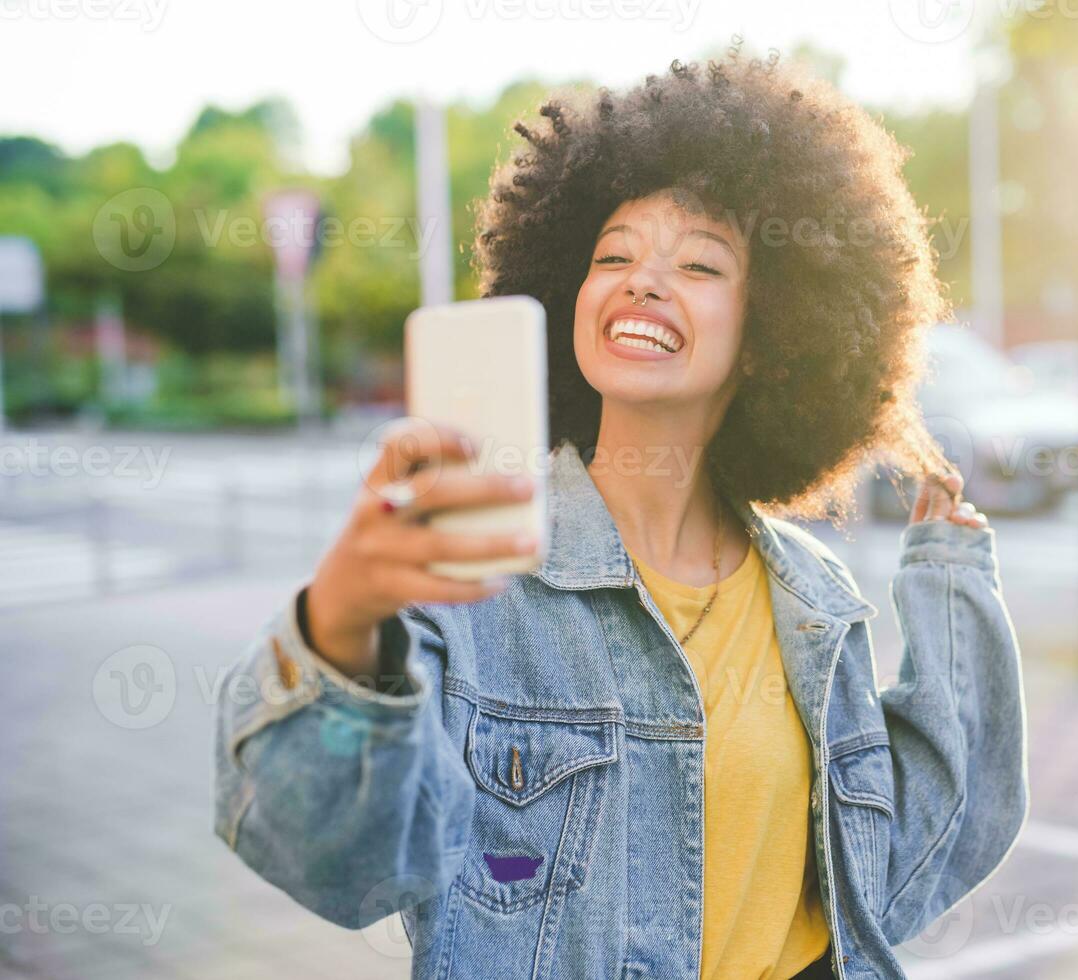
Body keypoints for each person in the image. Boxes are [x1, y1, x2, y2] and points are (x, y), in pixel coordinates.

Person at [214, 39, 1027, 980]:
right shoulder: (473, 580)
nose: (643, 280)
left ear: (768, 338)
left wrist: (950, 580)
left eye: (701, 265)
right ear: (569, 291)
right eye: (613, 256)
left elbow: (896, 866)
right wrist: (342, 623)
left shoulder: (817, 599)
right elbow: (343, 869)